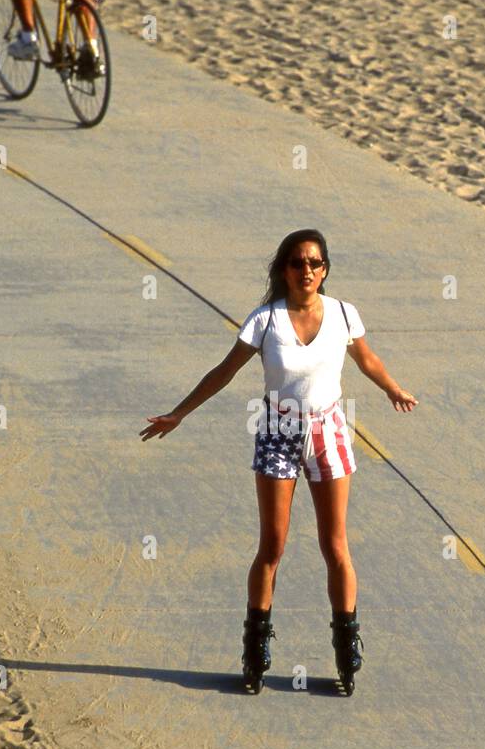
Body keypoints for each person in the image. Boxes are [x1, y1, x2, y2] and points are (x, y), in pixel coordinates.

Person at [140, 229, 418, 695]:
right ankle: (255, 650)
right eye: (296, 263)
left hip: (329, 431)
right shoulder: (265, 321)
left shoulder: (344, 315)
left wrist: (393, 388)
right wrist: (179, 413)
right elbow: (224, 371)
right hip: (278, 433)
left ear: (324, 269)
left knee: (335, 545)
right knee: (272, 545)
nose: (305, 271)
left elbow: (367, 360)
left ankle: (346, 646)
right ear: (284, 270)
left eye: (313, 263)